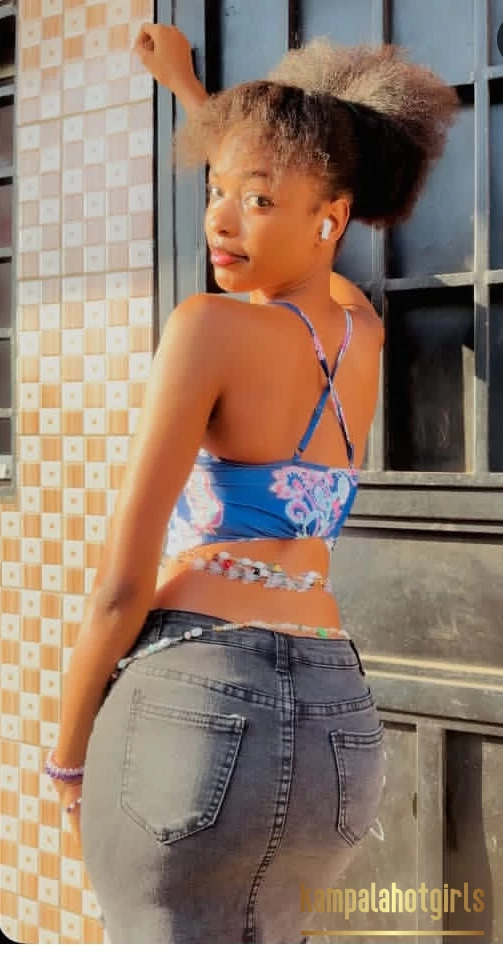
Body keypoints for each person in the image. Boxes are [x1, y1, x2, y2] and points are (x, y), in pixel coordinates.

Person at [45, 25, 459, 943]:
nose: (221, 221)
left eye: (256, 199)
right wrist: (202, 103)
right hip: (338, 718)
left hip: (198, 693)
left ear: (331, 217)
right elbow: (301, 240)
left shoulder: (209, 327)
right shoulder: (359, 336)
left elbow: (120, 587)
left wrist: (66, 762)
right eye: (216, 192)